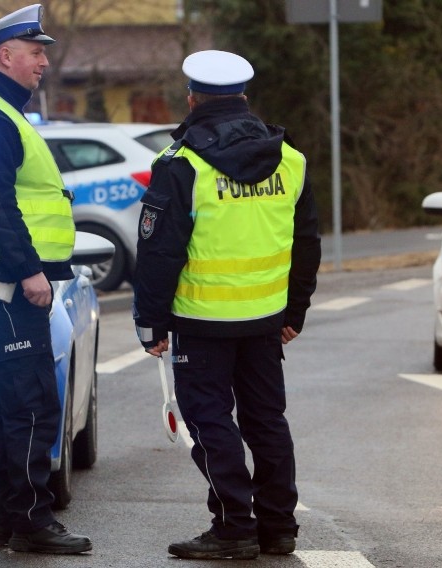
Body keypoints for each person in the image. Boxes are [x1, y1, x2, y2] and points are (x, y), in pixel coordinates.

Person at [132, 50, 321, 560]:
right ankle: (279, 527)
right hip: (264, 320)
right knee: (266, 420)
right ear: (244, 98)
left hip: (201, 319)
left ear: (192, 98)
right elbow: (307, 243)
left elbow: (159, 252)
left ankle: (234, 527)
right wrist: (294, 311)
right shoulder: (291, 159)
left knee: (210, 421)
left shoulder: (180, 165)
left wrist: (150, 320)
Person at [0, 3, 91, 555]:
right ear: (6, 55)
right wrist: (29, 271)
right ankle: (32, 520)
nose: (43, 64)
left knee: (3, 401)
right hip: (3, 281)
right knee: (29, 402)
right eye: (35, 54)